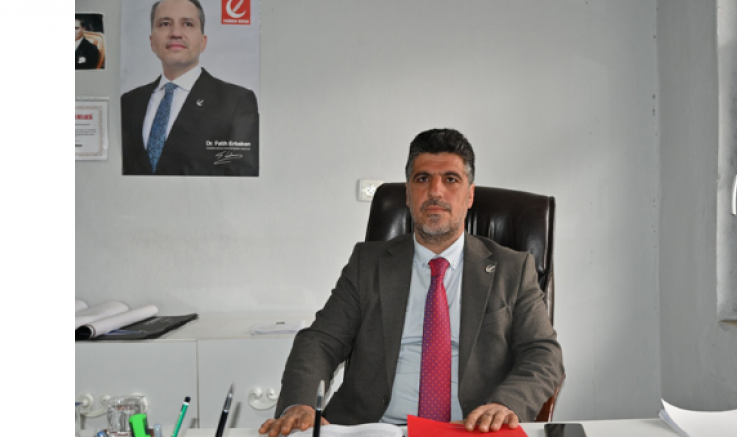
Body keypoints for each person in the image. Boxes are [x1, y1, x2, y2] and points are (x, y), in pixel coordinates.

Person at [259, 129, 564, 436]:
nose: (435, 191)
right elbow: (321, 340)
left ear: (470, 195)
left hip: (470, 429)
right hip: (374, 428)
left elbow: (543, 353)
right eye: (422, 179)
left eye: (451, 179)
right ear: (408, 194)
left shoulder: (512, 269)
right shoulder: (368, 263)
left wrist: (505, 403)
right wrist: (299, 404)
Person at [121, 0, 259, 176]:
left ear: (203, 41)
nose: (176, 33)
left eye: (187, 24)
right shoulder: (128, 102)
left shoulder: (236, 102)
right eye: (165, 24)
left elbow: (242, 177)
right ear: (152, 42)